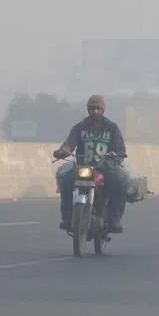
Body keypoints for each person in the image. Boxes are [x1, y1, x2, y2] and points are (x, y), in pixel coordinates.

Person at [53, 94, 129, 233]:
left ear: (103, 110)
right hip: (83, 167)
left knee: (120, 181)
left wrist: (115, 158)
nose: (95, 111)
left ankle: (114, 220)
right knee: (66, 180)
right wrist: (63, 151)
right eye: (92, 108)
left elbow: (120, 150)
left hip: (105, 168)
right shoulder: (79, 127)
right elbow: (69, 143)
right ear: (88, 110)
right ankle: (67, 218)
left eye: (98, 108)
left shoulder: (112, 128)